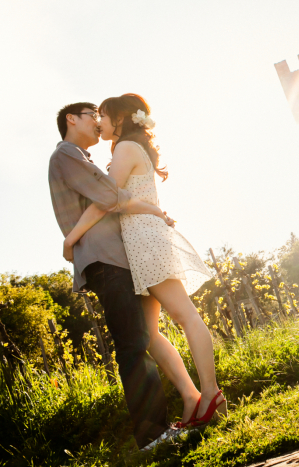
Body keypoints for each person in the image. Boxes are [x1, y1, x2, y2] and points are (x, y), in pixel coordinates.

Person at [62, 94, 226, 430]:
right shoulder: (127, 149)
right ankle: (192, 397)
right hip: (136, 245)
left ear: (120, 118)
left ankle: (211, 394)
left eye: (103, 116)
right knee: (149, 333)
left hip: (146, 241)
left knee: (184, 315)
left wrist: (72, 236)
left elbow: (107, 201)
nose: (99, 122)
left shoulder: (125, 149)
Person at [48, 102, 176, 450]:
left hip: (115, 257)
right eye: (92, 115)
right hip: (105, 260)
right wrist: (149, 206)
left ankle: (159, 428)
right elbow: (109, 196)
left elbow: (110, 197)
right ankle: (152, 435)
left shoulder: (80, 158)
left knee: (139, 339)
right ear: (71, 120)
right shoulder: (66, 154)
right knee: (132, 345)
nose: (98, 122)